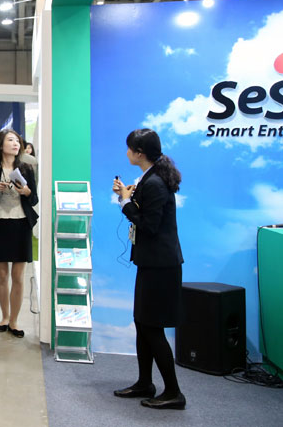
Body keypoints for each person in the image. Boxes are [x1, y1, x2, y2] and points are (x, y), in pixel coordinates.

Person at [112, 128, 186, 410]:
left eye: (130, 149)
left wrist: (126, 202)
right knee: (143, 324)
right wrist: (128, 195)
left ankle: (174, 392)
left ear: (140, 153)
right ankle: (145, 382)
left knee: (152, 327)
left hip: (161, 266)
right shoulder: (151, 178)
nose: (127, 153)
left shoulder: (154, 183)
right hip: (152, 263)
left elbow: (149, 225)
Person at [0, 129, 38, 338]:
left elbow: (34, 199)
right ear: (1, 145)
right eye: (10, 140)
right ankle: (4, 317)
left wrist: (26, 192)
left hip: (21, 222)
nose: (16, 143)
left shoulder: (26, 168)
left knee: (18, 275)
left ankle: (15, 320)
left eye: (17, 140)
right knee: (2, 275)